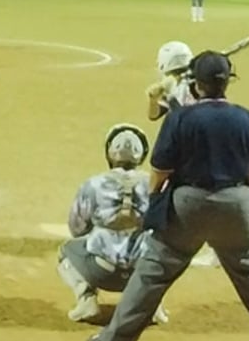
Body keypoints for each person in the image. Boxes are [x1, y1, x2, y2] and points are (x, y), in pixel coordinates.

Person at [87, 51, 249, 341]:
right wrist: (239, 201)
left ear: (195, 84)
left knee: (153, 272)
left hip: (188, 205)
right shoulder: (246, 118)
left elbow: (160, 170)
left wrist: (155, 203)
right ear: (226, 83)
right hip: (237, 203)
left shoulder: (181, 117)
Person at [58, 124, 167, 326]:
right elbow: (166, 225)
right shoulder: (153, 184)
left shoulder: (93, 184)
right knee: (164, 250)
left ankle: (86, 300)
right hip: (143, 271)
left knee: (66, 251)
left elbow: (76, 228)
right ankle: (152, 304)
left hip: (101, 270)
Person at [143, 40, 197, 122]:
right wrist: (153, 99)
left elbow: (184, 119)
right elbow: (154, 116)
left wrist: (169, 96)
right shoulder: (199, 81)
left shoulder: (184, 86)